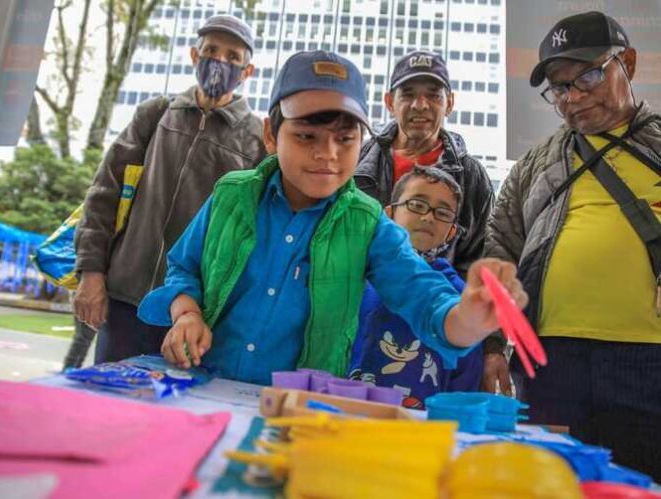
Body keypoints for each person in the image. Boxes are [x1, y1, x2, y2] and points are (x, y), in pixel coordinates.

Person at [136, 50, 527, 387]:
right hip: (200, 385)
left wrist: (468, 318)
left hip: (298, 407)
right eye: (306, 136)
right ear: (271, 134)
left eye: (345, 139)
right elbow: (183, 268)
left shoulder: (368, 223)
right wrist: (186, 313)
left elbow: (422, 294)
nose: (328, 153)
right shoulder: (231, 195)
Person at [484, 11, 661, 480]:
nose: (574, 98)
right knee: (551, 481)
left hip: (650, 359)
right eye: (560, 88)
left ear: (628, 63)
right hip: (550, 359)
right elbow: (498, 251)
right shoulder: (534, 165)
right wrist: (492, 346)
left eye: (588, 76)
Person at [73, 15, 267, 363]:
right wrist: (91, 272)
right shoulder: (155, 115)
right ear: (194, 56)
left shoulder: (256, 140)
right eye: (211, 50)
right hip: (125, 299)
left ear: (247, 72)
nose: (219, 62)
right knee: (106, 394)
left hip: (195, 313)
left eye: (233, 57)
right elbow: (104, 195)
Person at [349, 167, 483, 409]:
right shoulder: (354, 276)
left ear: (452, 231)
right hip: (342, 414)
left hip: (420, 426)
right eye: (417, 205)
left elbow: (464, 384)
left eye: (443, 213)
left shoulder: (461, 300)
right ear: (389, 213)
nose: (429, 217)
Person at [354, 51, 494, 277]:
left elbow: (478, 261)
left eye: (433, 95)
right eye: (408, 95)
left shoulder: (471, 177)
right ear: (389, 102)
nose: (420, 105)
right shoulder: (356, 160)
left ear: (450, 103)